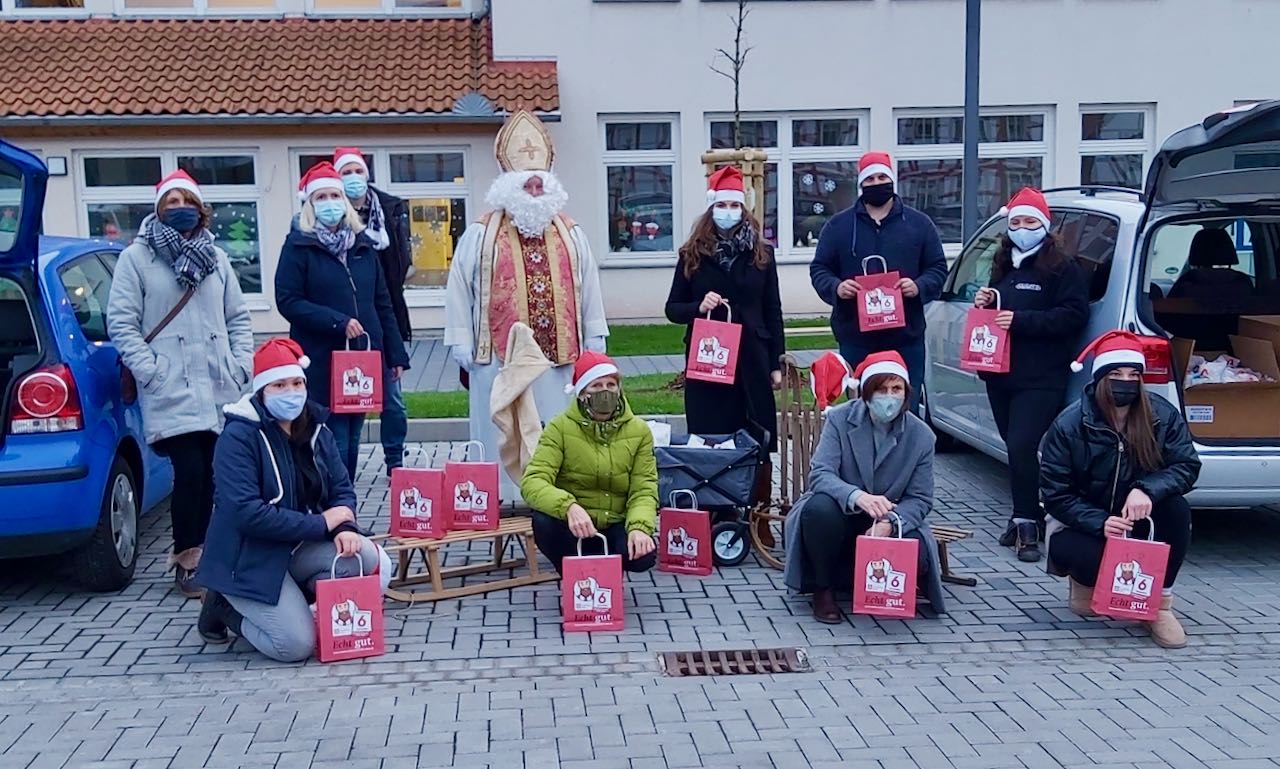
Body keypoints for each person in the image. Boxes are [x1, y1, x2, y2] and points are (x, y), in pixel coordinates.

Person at [195, 338, 393, 662]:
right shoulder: (238, 438)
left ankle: (294, 598)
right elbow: (247, 513)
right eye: (280, 385)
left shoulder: (315, 427)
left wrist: (344, 526)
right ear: (261, 391)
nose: (291, 392)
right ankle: (223, 607)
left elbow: (342, 488)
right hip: (247, 558)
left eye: (297, 382)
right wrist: (320, 523)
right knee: (295, 646)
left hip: (296, 546)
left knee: (366, 556)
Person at [445, 110, 608, 502]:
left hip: (560, 364)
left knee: (556, 433)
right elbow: (458, 289)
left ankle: (557, 498)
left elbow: (590, 287)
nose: (535, 193)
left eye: (540, 186)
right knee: (500, 432)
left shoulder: (571, 234)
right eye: (527, 186)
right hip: (499, 363)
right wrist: (460, 341)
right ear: (508, 186)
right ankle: (500, 499)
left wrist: (596, 336)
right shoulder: (481, 234)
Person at [106, 169, 254, 598]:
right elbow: (122, 322)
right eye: (170, 202)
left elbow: (238, 318)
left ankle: (212, 554)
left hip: (218, 383)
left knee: (214, 474)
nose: (180, 209)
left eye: (186, 200)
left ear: (200, 208)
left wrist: (240, 365)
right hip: (171, 384)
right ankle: (187, 559)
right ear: (157, 209)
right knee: (189, 471)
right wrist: (150, 368)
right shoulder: (137, 259)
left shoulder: (217, 257)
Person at [1039, 331, 1200, 648]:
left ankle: (1158, 604)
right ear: (1100, 378)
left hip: (1139, 516)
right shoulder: (1069, 424)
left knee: (1177, 509)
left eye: (1133, 375)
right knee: (1079, 552)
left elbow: (1186, 465)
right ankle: (1085, 583)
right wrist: (1100, 522)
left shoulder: (1162, 415)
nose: (1125, 381)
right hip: (1086, 522)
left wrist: (1147, 490)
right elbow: (1055, 493)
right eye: (1115, 374)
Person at [783, 352, 946, 623]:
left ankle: (864, 580)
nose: (889, 396)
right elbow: (821, 473)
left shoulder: (922, 436)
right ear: (867, 391)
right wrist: (857, 496)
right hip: (841, 511)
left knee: (917, 554)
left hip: (889, 516)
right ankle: (823, 589)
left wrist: (890, 524)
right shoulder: (839, 419)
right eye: (881, 389)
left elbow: (920, 498)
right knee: (818, 509)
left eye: (897, 389)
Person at [973, 188, 1089, 562]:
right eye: (1017, 222)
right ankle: (1025, 513)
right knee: (1014, 448)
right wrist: (990, 301)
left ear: (1045, 225)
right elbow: (1005, 302)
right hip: (1000, 371)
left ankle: (1029, 524)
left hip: (1041, 375)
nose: (1023, 228)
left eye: (1031, 221)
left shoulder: (1063, 268)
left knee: (1023, 445)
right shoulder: (1004, 262)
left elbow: (1073, 315)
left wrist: (1021, 322)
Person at [275, 161, 409, 484]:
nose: (331, 203)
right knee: (331, 436)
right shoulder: (298, 247)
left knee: (351, 437)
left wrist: (395, 355)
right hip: (322, 359)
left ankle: (344, 503)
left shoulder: (363, 246)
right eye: (322, 197)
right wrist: (337, 322)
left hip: (362, 359)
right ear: (310, 204)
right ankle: (332, 504)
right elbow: (288, 301)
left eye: (335, 195)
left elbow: (383, 304)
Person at [664, 166, 784, 516]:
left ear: (743, 209)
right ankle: (714, 512)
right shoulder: (692, 254)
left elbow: (773, 309)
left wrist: (777, 361)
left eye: (734, 205)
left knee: (757, 438)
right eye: (722, 205)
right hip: (709, 359)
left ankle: (757, 513)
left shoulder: (762, 254)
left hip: (752, 360)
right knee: (710, 438)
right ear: (711, 208)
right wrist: (697, 307)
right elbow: (672, 308)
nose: (728, 211)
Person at [809, 151, 948, 413]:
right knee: (860, 411)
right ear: (861, 184)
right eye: (870, 178)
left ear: (892, 180)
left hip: (906, 337)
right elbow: (820, 269)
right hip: (856, 337)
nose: (877, 183)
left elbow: (938, 268)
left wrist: (918, 286)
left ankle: (905, 454)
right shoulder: (838, 226)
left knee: (906, 410)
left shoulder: (919, 225)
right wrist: (837, 288)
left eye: (882, 176)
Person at [520, 352, 657, 575]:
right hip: (574, 527)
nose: (605, 391)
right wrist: (568, 507)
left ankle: (607, 570)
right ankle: (572, 572)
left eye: (611, 384)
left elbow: (644, 488)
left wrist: (639, 527)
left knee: (643, 556)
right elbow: (533, 482)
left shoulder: (639, 431)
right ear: (582, 392)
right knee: (543, 522)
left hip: (614, 522)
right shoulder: (559, 428)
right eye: (596, 386)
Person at [334, 147, 413, 475]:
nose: (353, 179)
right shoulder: (331, 215)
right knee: (352, 404)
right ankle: (342, 473)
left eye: (357, 171)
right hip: (350, 322)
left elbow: (402, 258)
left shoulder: (389, 210)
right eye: (346, 173)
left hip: (386, 313)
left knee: (393, 400)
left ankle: (395, 461)